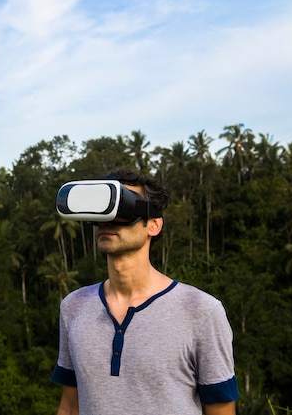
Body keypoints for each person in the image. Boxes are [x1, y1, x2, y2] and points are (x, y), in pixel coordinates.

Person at [51, 167, 239, 415]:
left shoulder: (201, 311)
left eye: (123, 209)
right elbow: (70, 407)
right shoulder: (74, 306)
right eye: (103, 209)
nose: (107, 221)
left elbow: (221, 410)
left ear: (153, 224)